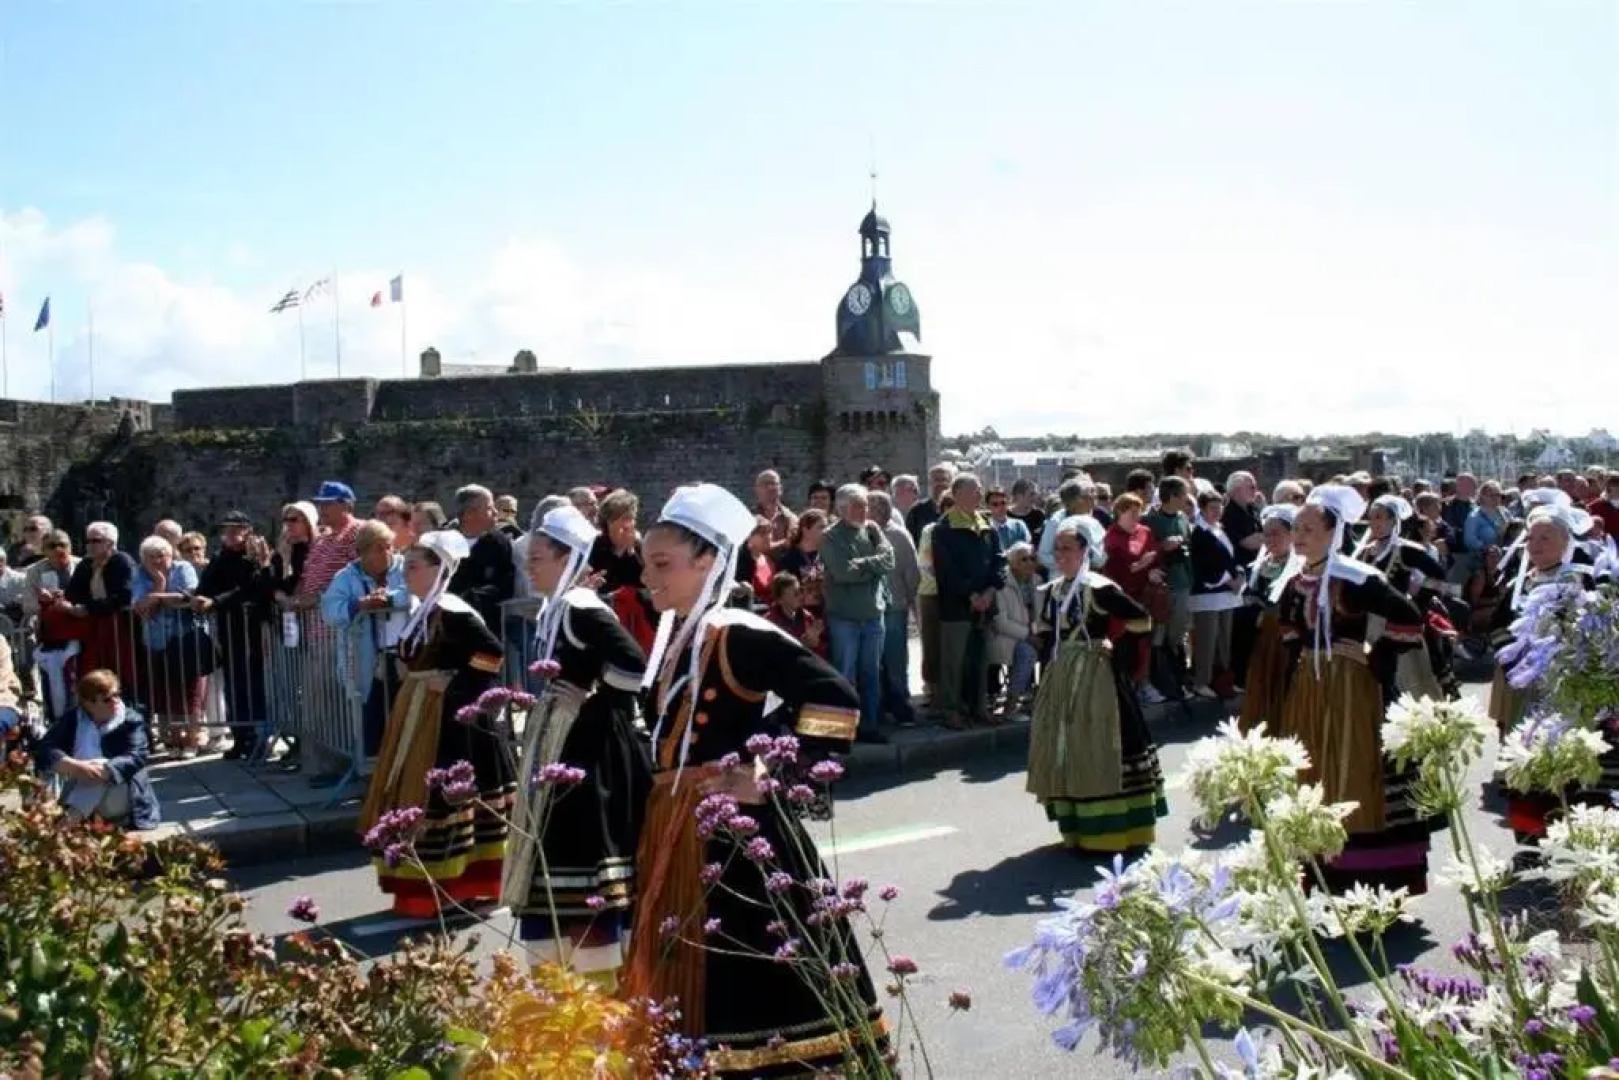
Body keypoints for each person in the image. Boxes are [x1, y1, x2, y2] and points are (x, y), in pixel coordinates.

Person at [622, 483, 886, 1077]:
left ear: (706, 561)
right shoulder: (677, 636)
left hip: (738, 844)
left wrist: (769, 773)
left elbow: (836, 701)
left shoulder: (737, 632)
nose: (647, 575)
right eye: (645, 562)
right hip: (675, 830)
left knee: (748, 974)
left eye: (661, 563)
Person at [503, 505, 652, 989]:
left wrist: (591, 699)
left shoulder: (580, 607)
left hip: (588, 751)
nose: (530, 567)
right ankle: (565, 976)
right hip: (561, 741)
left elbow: (634, 665)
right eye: (529, 558)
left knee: (580, 857)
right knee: (554, 853)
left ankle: (597, 976)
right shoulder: (558, 608)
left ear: (567, 559)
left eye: (539, 558)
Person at [1275, 485, 1429, 895]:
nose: (1299, 536)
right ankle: (1315, 866)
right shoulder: (1296, 581)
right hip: (1309, 688)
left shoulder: (1356, 577)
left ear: (1333, 532)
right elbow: (1288, 627)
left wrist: (1374, 655)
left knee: (1353, 768)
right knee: (1311, 770)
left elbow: (1409, 618)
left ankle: (1363, 872)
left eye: (1308, 528)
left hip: (1351, 690)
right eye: (1296, 528)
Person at [359, 530, 515, 918]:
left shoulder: (453, 611)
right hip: (420, 713)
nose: (406, 574)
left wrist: (453, 683)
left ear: (438, 570)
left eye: (413, 567)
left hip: (452, 722)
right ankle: (430, 887)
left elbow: (492, 655)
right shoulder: (426, 610)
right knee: (418, 795)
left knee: (444, 799)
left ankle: (463, 886)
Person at [1026, 515, 1163, 852]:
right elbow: (1048, 632)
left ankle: (1114, 830)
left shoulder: (1099, 588)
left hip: (1096, 677)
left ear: (1084, 551)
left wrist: (1114, 649)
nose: (1061, 555)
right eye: (1057, 549)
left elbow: (1141, 619)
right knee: (1068, 743)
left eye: (1068, 549)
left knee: (1103, 741)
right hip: (1062, 675)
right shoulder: (1054, 590)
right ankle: (1078, 828)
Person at [36, 669, 161, 830]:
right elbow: (45, 749)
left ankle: (68, 822)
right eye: (108, 699)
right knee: (54, 767)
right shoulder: (73, 719)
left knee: (99, 766)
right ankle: (69, 817)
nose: (116, 701)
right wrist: (73, 766)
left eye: (117, 695)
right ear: (89, 703)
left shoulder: (131, 720)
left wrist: (104, 770)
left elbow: (137, 756)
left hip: (121, 796)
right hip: (80, 787)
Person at [820, 484, 895, 744]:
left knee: (871, 675)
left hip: (873, 615)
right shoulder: (831, 537)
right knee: (845, 675)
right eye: (857, 506)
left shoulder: (872, 530)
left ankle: (870, 726)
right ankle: (843, 731)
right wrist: (873, 568)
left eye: (865, 505)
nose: (864, 511)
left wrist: (863, 565)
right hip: (845, 618)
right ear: (842, 509)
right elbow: (843, 573)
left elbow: (889, 561)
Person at [1236, 505, 1301, 737]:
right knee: (1263, 684)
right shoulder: (1259, 568)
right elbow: (1248, 602)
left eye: (1276, 533)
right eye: (1266, 534)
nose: (1270, 539)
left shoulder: (1301, 569)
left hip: (1290, 641)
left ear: (1291, 534)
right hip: (1264, 640)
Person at [1187, 486, 1243, 699]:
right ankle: (1201, 681)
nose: (1217, 512)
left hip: (1227, 595)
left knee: (1224, 641)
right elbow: (1202, 565)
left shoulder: (1220, 529)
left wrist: (1239, 575)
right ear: (1202, 508)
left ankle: (1222, 681)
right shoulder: (1198, 533)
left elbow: (1232, 558)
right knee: (1207, 641)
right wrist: (1228, 579)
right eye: (1212, 508)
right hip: (1207, 594)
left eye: (1219, 507)